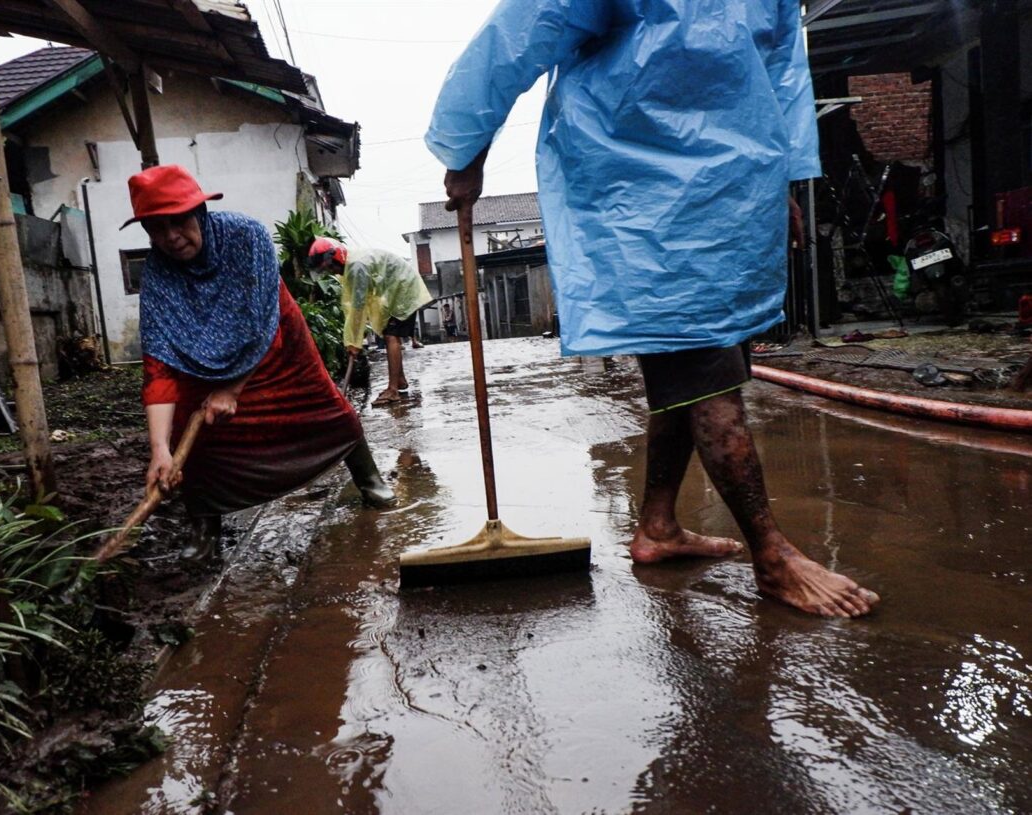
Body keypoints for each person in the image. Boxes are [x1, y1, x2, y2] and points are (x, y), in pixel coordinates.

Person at [426, 0, 879, 617]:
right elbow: (521, 34)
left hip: (735, 186)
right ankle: (771, 557)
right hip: (639, 189)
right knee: (704, 370)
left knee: (700, 365)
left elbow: (783, 68)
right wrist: (467, 147)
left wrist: (785, 180)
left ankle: (658, 527)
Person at [124, 165, 396, 562]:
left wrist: (232, 390)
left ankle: (370, 480)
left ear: (199, 212)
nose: (170, 237)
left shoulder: (244, 235)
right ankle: (204, 526)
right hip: (201, 365)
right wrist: (160, 450)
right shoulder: (159, 271)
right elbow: (160, 366)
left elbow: (261, 324)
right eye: (156, 229)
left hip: (275, 341)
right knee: (193, 431)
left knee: (320, 406)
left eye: (178, 222)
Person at [308, 238, 432, 407]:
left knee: (391, 336)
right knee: (390, 333)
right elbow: (353, 305)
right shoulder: (351, 264)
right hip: (397, 288)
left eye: (330, 267)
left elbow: (358, 307)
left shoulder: (357, 266)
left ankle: (393, 390)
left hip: (404, 289)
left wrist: (354, 341)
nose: (331, 271)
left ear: (337, 258)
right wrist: (353, 340)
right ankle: (400, 381)